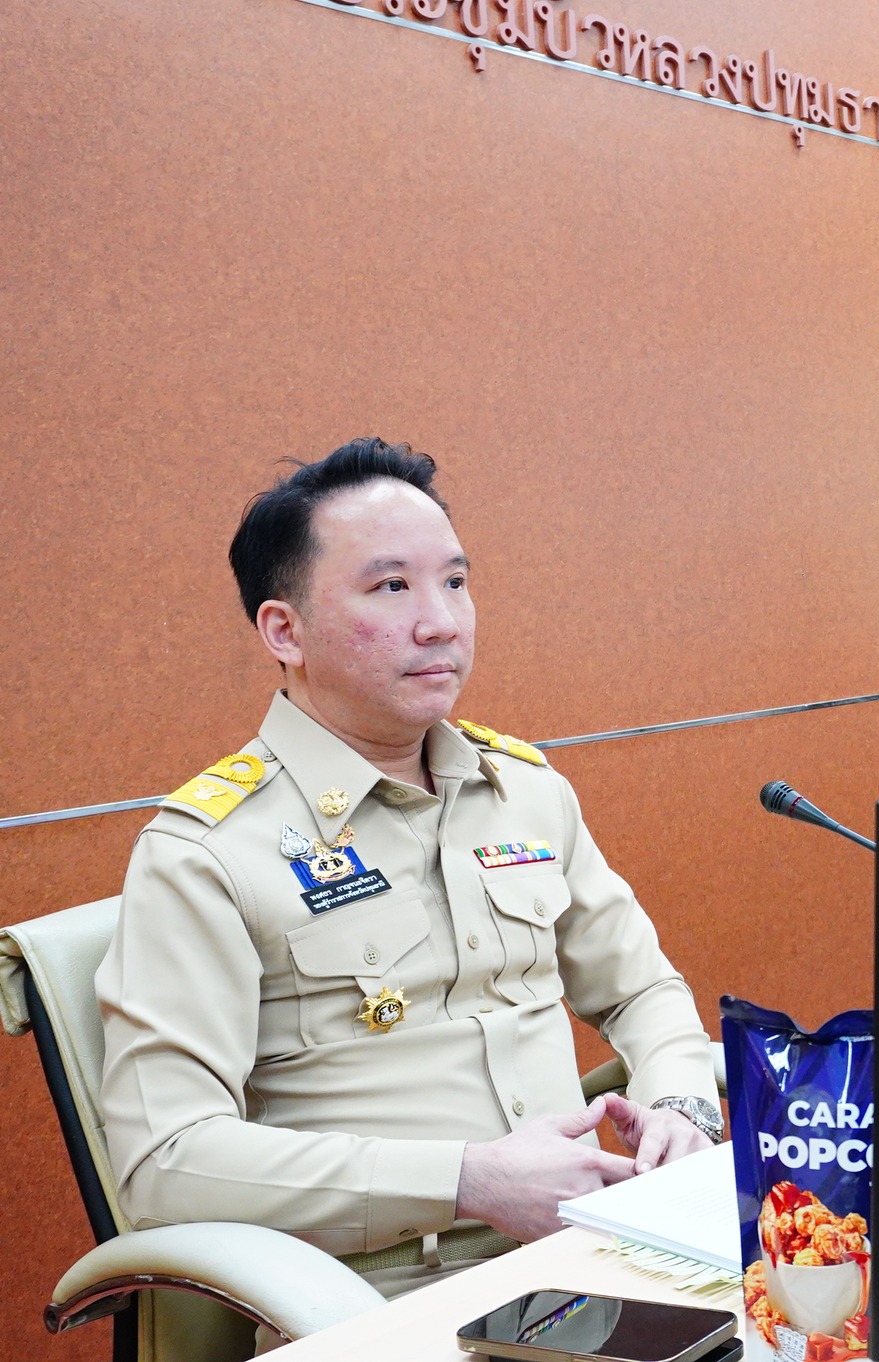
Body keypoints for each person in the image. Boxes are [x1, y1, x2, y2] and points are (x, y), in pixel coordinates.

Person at [96, 438, 722, 1302]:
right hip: (381, 1293)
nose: (443, 622)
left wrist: (682, 1109)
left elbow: (641, 991)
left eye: (455, 582)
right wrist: (467, 1180)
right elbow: (167, 1162)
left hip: (601, 1246)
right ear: (285, 630)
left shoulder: (526, 793)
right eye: (392, 587)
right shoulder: (206, 854)